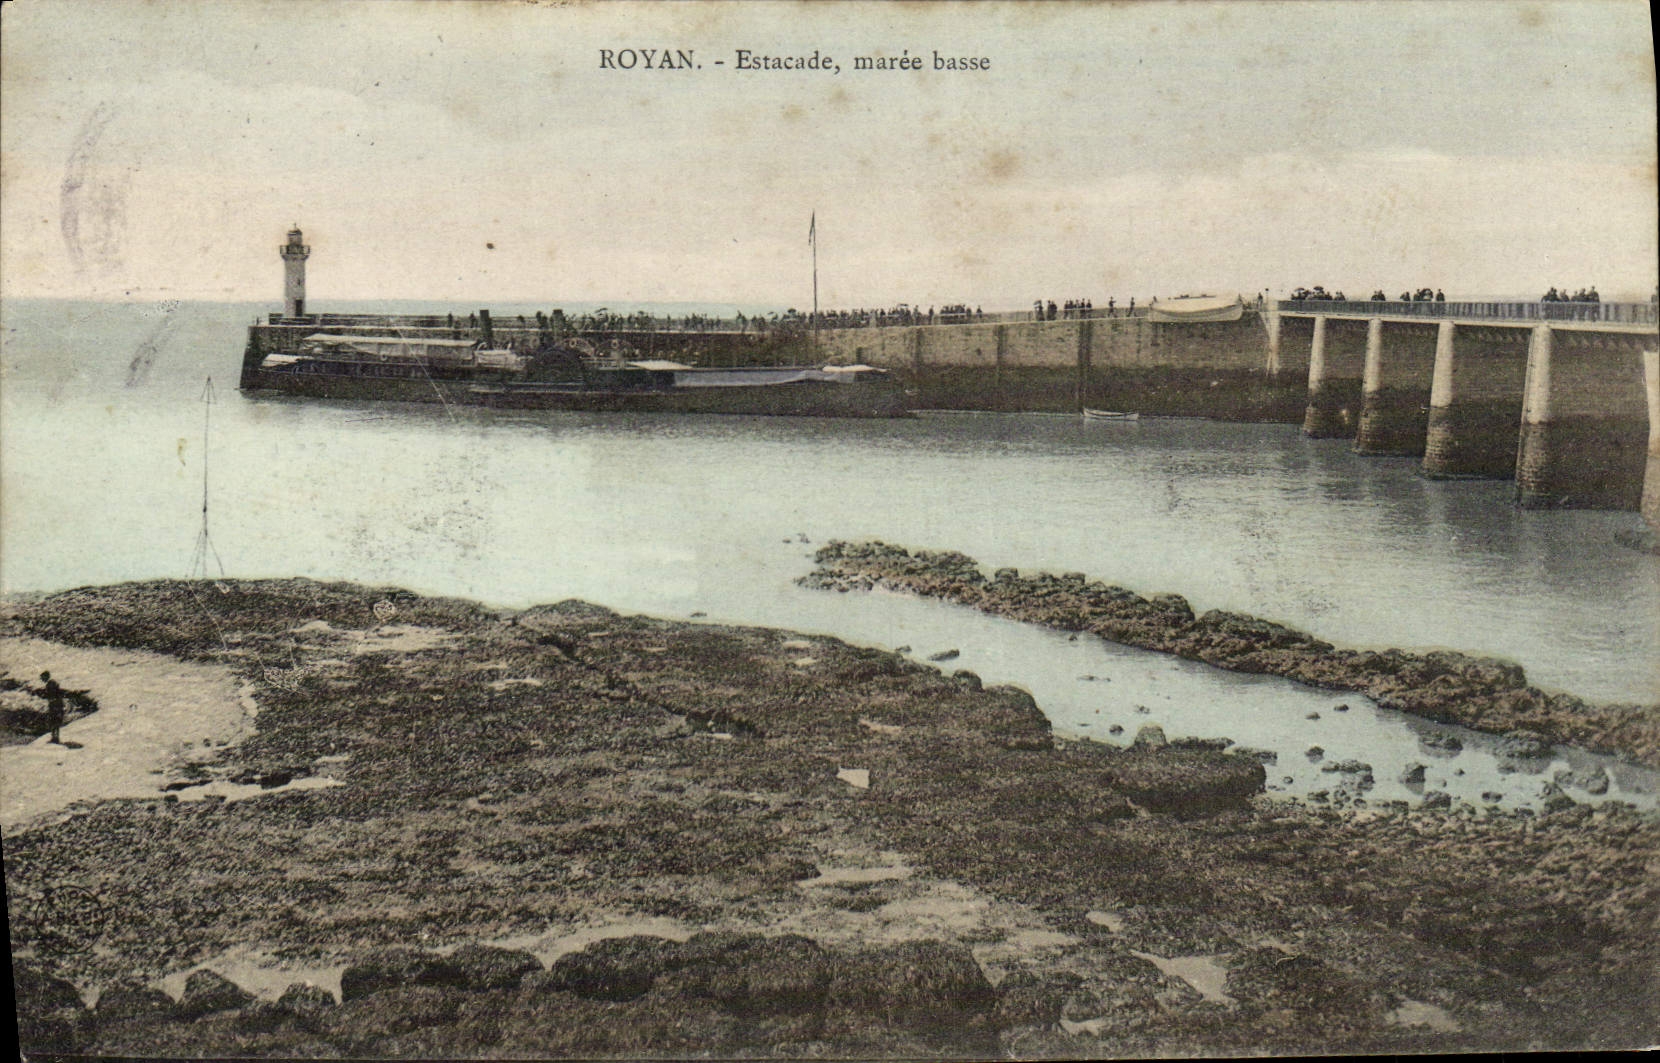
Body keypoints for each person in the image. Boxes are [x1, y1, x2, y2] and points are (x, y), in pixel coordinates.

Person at [40, 671, 65, 744]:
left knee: (54, 722)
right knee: (55, 722)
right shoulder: (52, 683)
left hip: (55, 705)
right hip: (57, 705)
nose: (41, 679)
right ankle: (55, 738)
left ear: (46, 677)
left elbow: (52, 695)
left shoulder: (50, 684)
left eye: (42, 678)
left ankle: (55, 739)